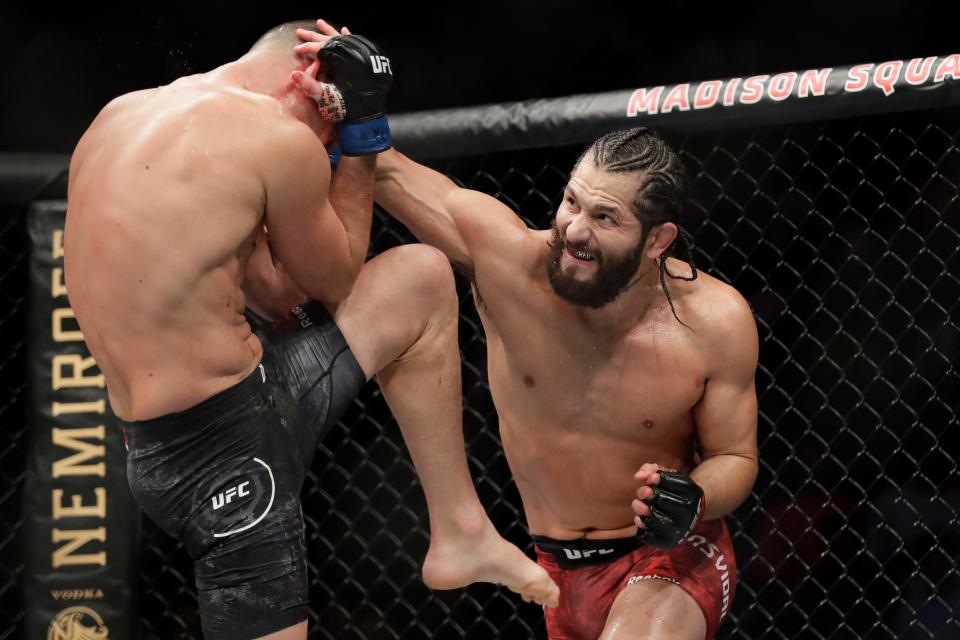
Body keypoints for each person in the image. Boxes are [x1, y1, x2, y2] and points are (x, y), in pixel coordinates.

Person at [64, 19, 558, 640]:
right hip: (231, 454)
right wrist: (361, 136)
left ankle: (461, 530)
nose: (326, 149)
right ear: (311, 79)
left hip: (153, 446)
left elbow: (277, 293)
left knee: (421, 277)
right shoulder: (274, 137)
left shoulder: (119, 116)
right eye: (331, 126)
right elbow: (337, 279)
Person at [294, 23, 760, 639]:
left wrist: (694, 498)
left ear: (658, 241)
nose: (573, 229)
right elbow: (385, 169)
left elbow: (735, 456)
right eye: (572, 202)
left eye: (604, 217)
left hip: (670, 559)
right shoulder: (509, 263)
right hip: (551, 568)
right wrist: (342, 97)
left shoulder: (714, 321)